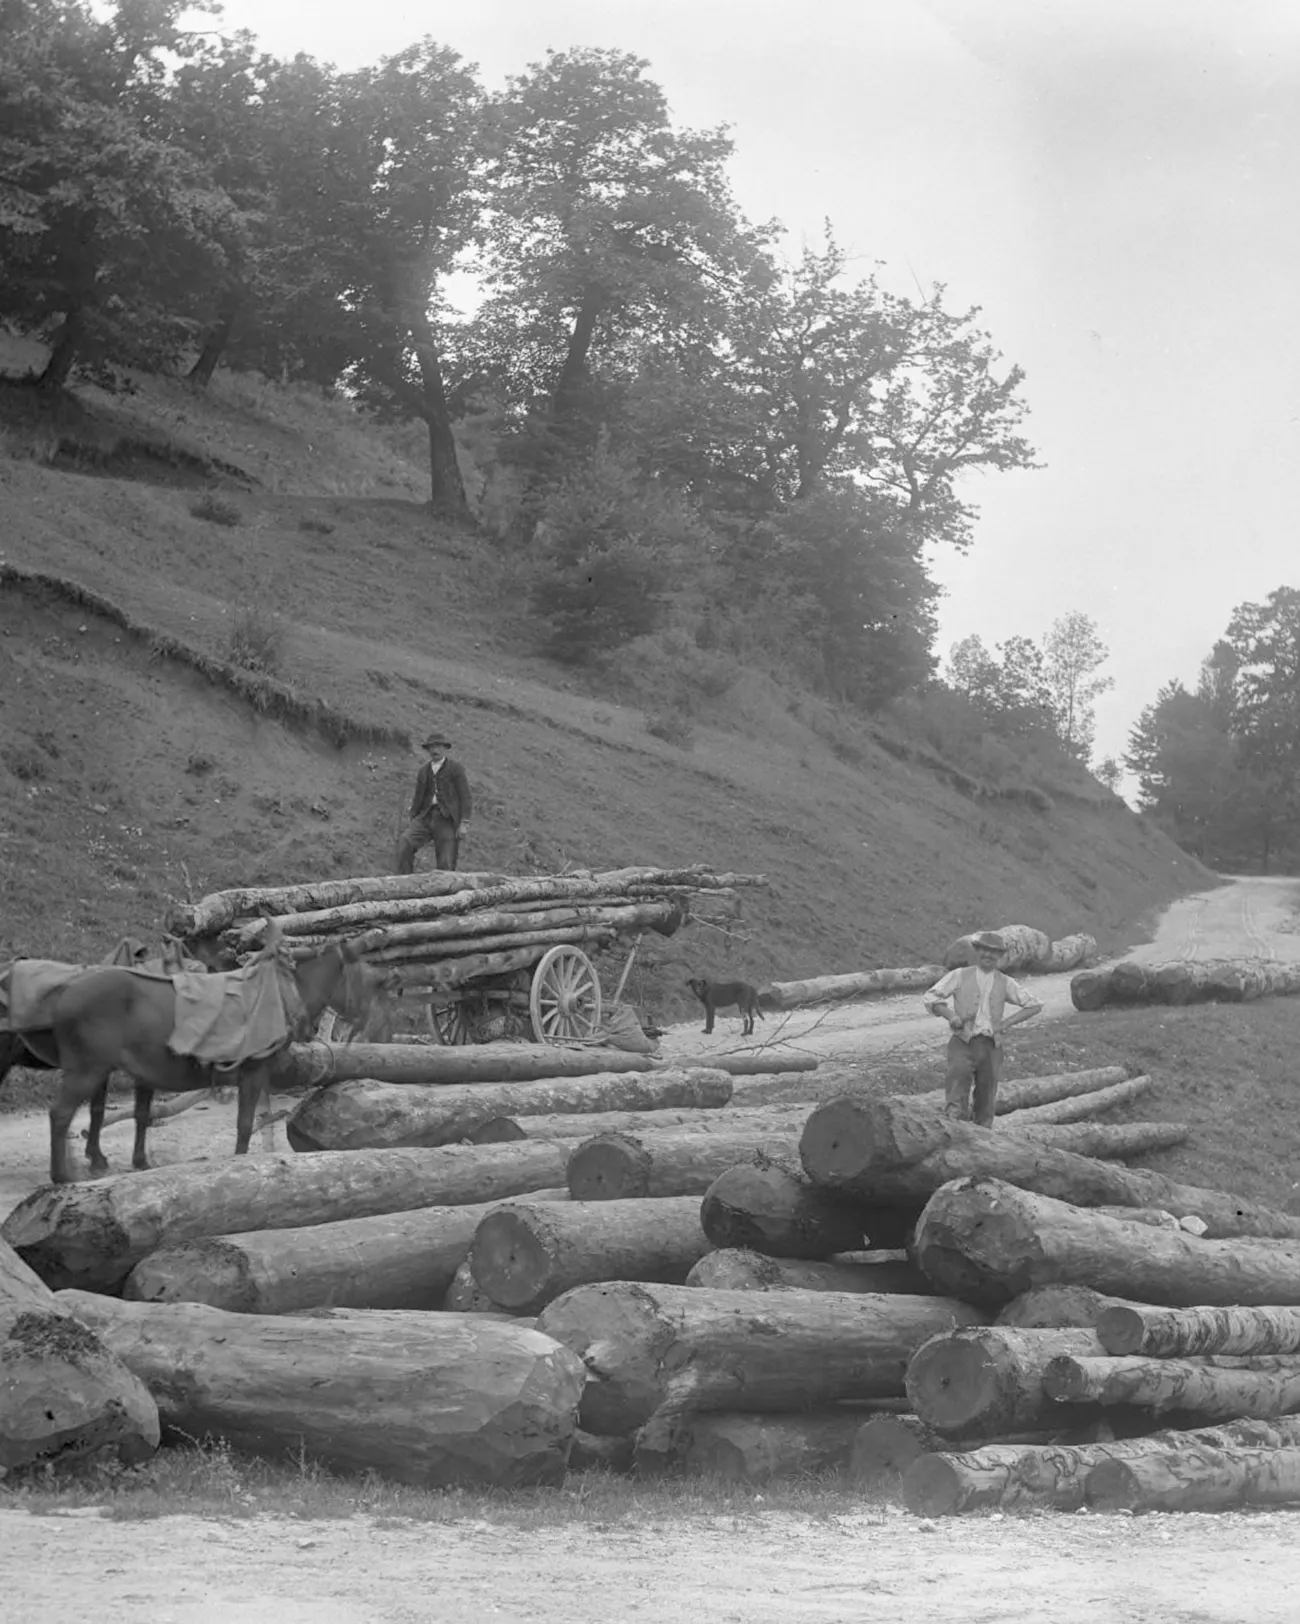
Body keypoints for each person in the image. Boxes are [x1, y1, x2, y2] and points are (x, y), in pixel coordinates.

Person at [922, 930, 1043, 1127]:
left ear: (1000, 956)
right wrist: (951, 1016)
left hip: (991, 1046)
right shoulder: (959, 976)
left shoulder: (1005, 982)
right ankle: (953, 1130)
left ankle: (983, 1137)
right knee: (957, 1087)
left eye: (993, 952)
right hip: (963, 1043)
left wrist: (1005, 1024)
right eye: (984, 951)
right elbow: (930, 997)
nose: (988, 955)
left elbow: (1034, 1005)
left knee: (986, 1095)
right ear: (976, 952)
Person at [394, 730, 473, 874]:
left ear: (444, 749)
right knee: (405, 841)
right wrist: (413, 818)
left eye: (438, 747)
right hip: (425, 817)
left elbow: (465, 797)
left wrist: (464, 823)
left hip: (446, 819)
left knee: (446, 861)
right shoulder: (423, 772)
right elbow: (418, 798)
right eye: (431, 747)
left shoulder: (456, 769)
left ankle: (446, 894)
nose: (435, 750)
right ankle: (405, 883)